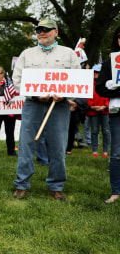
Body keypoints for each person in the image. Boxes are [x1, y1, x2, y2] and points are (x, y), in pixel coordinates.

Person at [11, 19, 80, 201]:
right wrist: (35, 95)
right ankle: (21, 184)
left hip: (58, 107)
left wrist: (65, 96)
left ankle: (56, 186)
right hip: (33, 105)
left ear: (56, 32)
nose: (41, 33)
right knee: (26, 145)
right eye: (39, 30)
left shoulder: (69, 54)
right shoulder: (27, 54)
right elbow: (17, 80)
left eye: (46, 30)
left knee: (58, 147)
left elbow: (78, 80)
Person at [95, 27, 120, 204]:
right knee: (117, 154)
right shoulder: (109, 63)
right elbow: (100, 88)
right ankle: (116, 191)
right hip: (117, 113)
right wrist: (114, 87)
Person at [86, 64, 111, 157]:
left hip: (105, 110)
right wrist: (92, 106)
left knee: (106, 131)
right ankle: (95, 151)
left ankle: (105, 152)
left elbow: (110, 96)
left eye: (98, 72)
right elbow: (87, 96)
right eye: (94, 72)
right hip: (93, 111)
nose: (96, 74)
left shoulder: (107, 83)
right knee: (94, 130)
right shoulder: (89, 84)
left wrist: (105, 106)